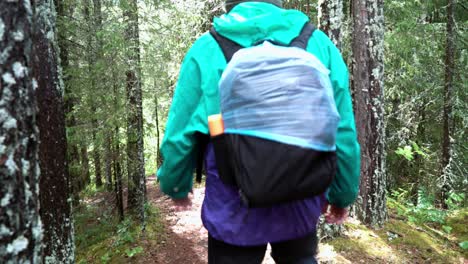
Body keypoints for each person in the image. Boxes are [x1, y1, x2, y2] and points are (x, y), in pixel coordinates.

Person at [157, 1, 361, 263]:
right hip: (300, 194)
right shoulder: (318, 44)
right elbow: (341, 129)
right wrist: (342, 194)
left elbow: (180, 132)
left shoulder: (207, 48)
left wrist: (176, 185)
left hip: (233, 205)